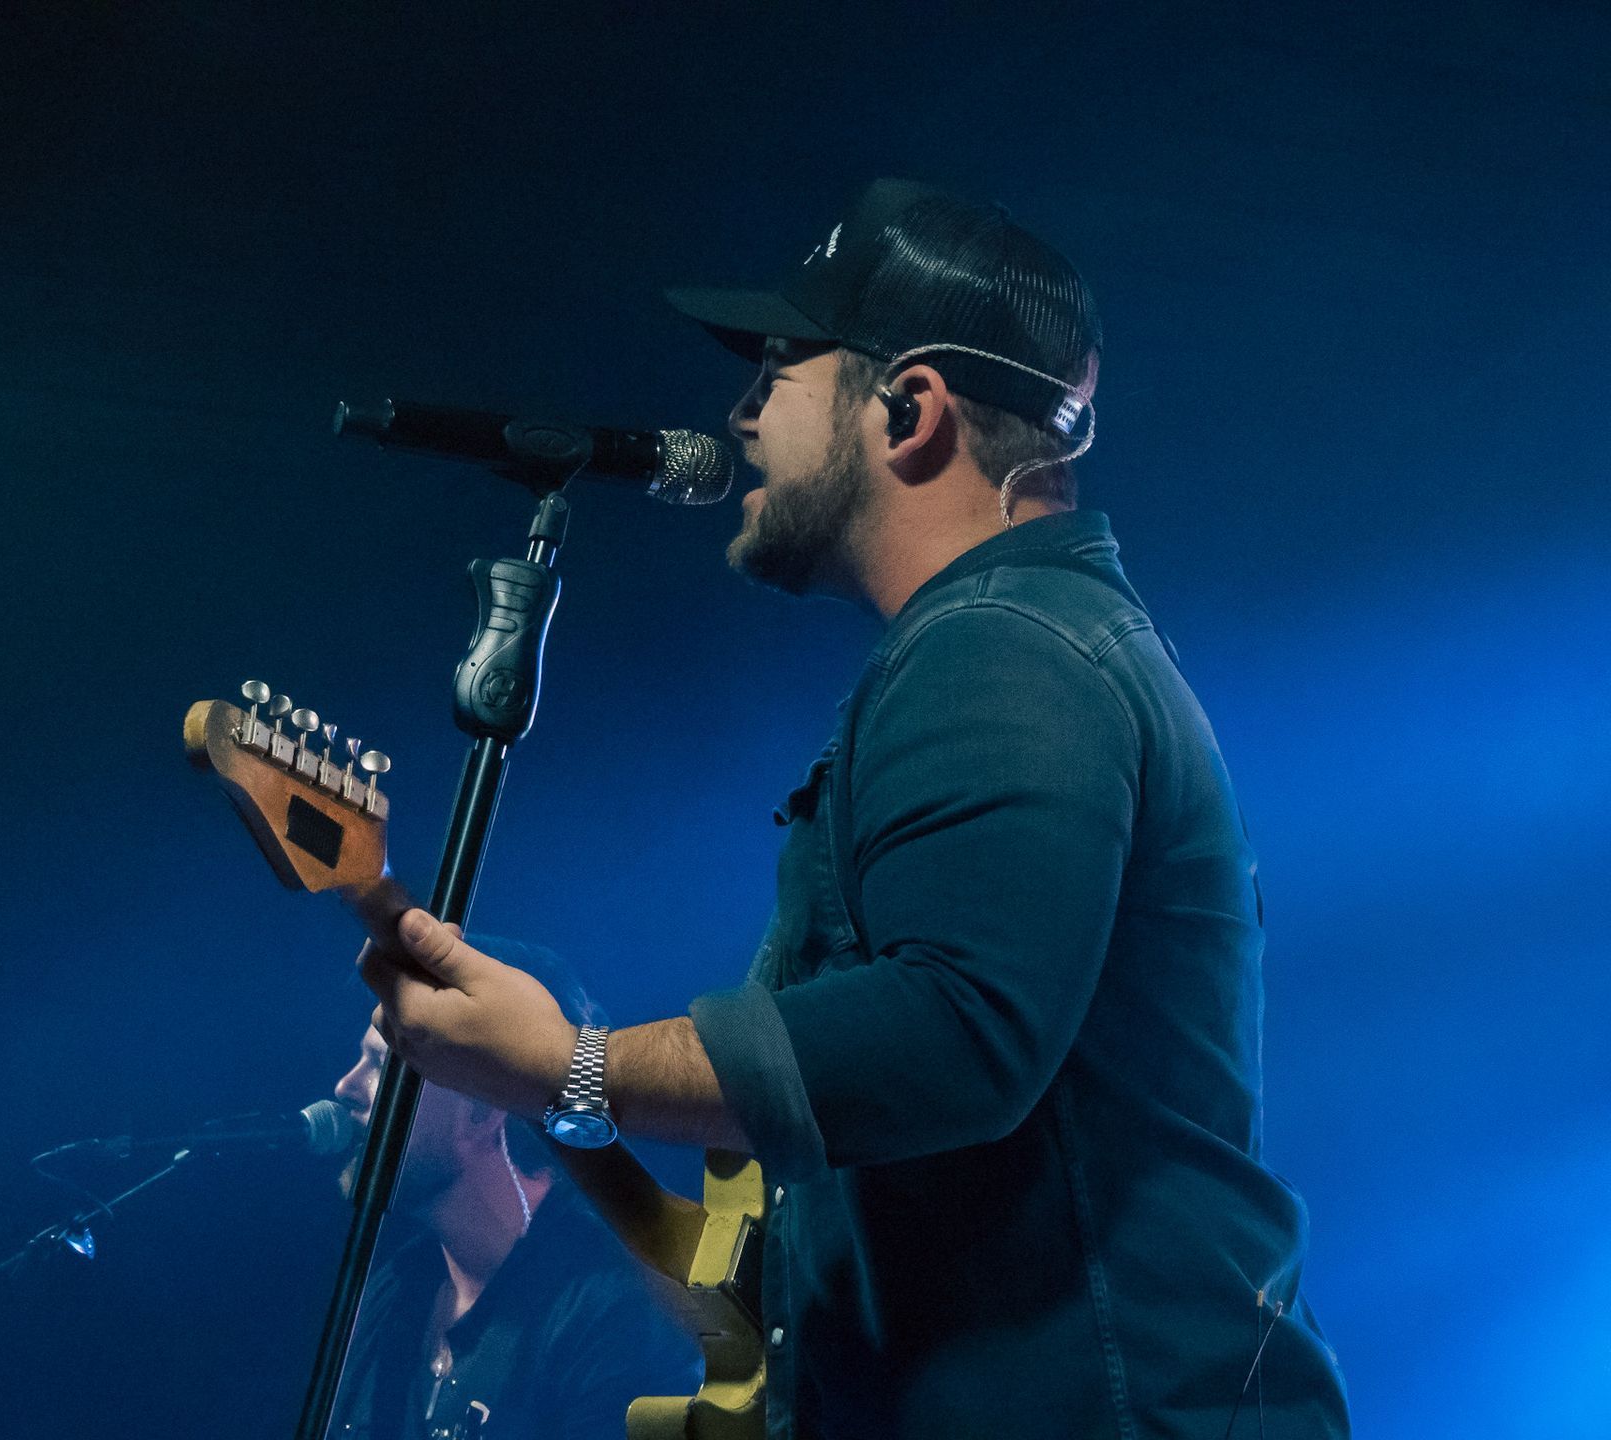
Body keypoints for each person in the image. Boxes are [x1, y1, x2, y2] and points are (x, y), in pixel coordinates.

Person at [358, 179, 1352, 1438]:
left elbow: (954, 1031)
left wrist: (578, 1064)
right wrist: (556, 1090)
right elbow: (849, 1210)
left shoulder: (1005, 648)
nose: (739, 412)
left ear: (912, 409)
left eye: (778, 365)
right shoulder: (1010, 647)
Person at [328, 938, 699, 1440]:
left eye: (381, 1064)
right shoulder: (395, 1290)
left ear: (481, 1106)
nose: (345, 1088)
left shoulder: (613, 1304)